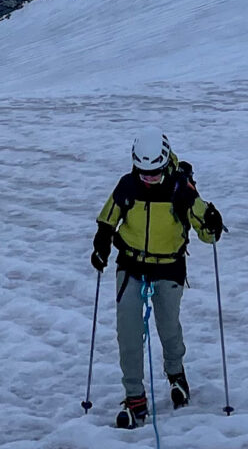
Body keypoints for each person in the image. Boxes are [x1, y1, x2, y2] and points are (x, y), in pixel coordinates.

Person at [91, 129, 225, 427]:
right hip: (131, 265)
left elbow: (207, 233)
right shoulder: (127, 186)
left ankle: (176, 375)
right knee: (127, 332)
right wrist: (101, 243)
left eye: (154, 173)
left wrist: (213, 223)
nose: (148, 178)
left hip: (169, 267)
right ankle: (135, 398)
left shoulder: (182, 190)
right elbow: (107, 220)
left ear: (165, 165)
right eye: (143, 172)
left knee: (168, 326)